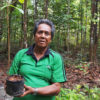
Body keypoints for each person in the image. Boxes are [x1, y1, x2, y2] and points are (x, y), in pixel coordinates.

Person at [8, 19, 67, 100]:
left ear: (50, 39)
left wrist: (34, 90)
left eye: (47, 33)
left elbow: (56, 88)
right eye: (40, 32)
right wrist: (9, 87)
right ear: (34, 35)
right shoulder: (21, 54)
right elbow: (11, 78)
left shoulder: (56, 58)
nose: (42, 36)